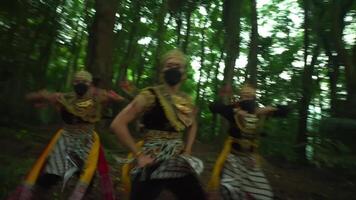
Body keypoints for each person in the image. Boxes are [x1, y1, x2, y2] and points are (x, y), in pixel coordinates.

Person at [10, 70, 124, 200]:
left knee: (86, 179)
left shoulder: (98, 98)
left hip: (87, 142)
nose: (81, 84)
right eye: (77, 81)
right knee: (52, 175)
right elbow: (29, 97)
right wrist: (42, 96)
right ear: (73, 83)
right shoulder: (63, 98)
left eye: (85, 82)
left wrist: (116, 98)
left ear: (90, 84)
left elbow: (121, 100)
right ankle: (34, 195)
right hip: (65, 140)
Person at [111, 49, 206, 200]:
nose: (173, 69)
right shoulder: (149, 95)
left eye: (178, 66)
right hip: (152, 160)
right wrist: (139, 155)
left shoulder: (186, 100)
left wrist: (187, 150)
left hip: (178, 161)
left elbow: (193, 125)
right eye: (169, 66)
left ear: (184, 73)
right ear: (162, 71)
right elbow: (117, 124)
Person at [207, 84, 289, 200]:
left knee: (264, 195)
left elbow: (285, 111)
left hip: (250, 159)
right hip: (233, 158)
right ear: (240, 96)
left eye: (250, 95)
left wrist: (273, 108)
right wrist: (231, 107)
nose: (247, 96)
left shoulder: (260, 112)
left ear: (254, 97)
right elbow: (213, 107)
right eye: (244, 94)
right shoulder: (233, 110)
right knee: (228, 190)